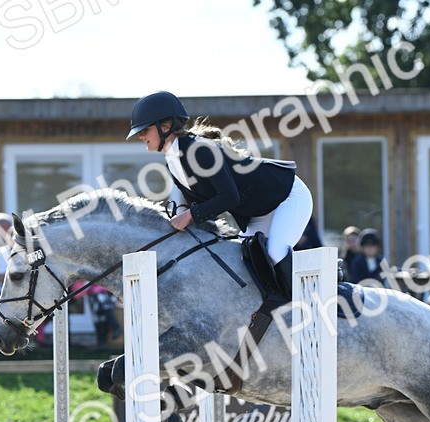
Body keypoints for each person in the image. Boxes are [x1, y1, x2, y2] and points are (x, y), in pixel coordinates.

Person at [127, 91, 313, 291]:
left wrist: (189, 215)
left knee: (275, 252)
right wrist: (183, 213)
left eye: (145, 129)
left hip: (287, 195)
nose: (141, 136)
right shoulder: (172, 162)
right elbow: (196, 204)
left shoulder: (200, 149)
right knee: (243, 259)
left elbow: (229, 197)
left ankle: (312, 296)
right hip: (258, 212)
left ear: (165, 127)